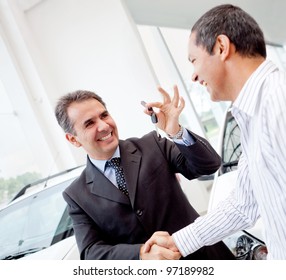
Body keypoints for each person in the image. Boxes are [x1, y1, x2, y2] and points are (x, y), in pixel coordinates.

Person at [143, 4, 286, 260]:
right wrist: (177, 242)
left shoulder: (278, 101)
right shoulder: (252, 114)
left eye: (194, 60)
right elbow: (243, 206)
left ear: (221, 47)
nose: (195, 76)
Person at [54, 88, 235, 260]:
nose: (103, 126)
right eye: (89, 123)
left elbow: (209, 165)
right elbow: (91, 253)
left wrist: (176, 131)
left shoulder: (152, 145)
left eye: (104, 115)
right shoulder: (76, 195)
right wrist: (141, 254)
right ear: (73, 139)